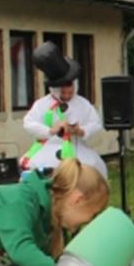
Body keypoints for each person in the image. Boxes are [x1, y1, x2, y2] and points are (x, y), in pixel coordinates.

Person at [21, 48, 107, 179]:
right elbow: (28, 123)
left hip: (78, 149)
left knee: (93, 170)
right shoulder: (42, 104)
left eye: (70, 93)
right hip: (48, 150)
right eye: (63, 93)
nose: (67, 96)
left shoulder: (82, 103)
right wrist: (51, 130)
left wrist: (80, 131)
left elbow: (95, 123)